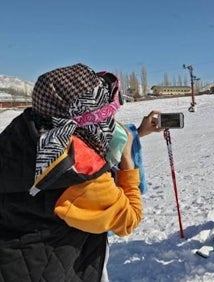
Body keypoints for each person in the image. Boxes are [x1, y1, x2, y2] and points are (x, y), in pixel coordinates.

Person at [0, 63, 161, 281]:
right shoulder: (82, 176)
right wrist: (127, 158)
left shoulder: (28, 130)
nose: (110, 122)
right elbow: (128, 219)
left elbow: (86, 140)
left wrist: (138, 133)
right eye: (105, 116)